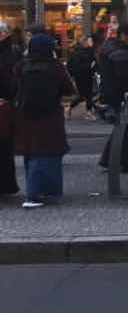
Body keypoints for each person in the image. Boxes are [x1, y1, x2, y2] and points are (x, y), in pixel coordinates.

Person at [13, 34, 75, 208]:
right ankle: (37, 194)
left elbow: (13, 88)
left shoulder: (21, 66)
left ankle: (33, 191)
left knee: (30, 152)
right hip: (50, 115)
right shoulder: (56, 67)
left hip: (25, 115)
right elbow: (69, 89)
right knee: (48, 152)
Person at [98, 22, 128, 173]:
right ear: (123, 35)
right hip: (120, 97)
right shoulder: (121, 53)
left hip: (112, 94)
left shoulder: (110, 47)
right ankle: (122, 161)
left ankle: (112, 160)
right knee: (127, 128)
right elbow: (125, 77)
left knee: (123, 129)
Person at [0, 22, 20, 196]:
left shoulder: (10, 53)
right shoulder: (11, 52)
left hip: (4, 105)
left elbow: (12, 83)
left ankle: (5, 186)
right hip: (5, 104)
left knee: (4, 147)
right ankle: (6, 185)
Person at [66, 37, 97, 120]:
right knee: (86, 94)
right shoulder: (88, 52)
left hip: (80, 76)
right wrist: (92, 70)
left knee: (84, 95)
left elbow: (69, 65)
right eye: (88, 41)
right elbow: (93, 63)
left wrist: (73, 74)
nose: (90, 43)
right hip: (86, 75)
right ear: (84, 43)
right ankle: (88, 111)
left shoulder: (75, 52)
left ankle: (86, 110)